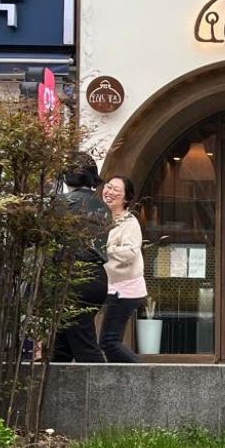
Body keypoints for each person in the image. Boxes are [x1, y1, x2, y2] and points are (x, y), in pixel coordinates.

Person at [51, 155, 109, 363]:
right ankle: (57, 392)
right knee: (62, 345)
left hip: (73, 277)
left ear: (66, 177)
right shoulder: (103, 207)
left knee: (85, 345)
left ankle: (105, 391)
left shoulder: (61, 204)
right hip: (97, 277)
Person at [99, 175, 147, 363]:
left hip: (126, 289)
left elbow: (130, 253)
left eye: (116, 190)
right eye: (108, 187)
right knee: (109, 342)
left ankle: (146, 375)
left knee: (109, 341)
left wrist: (104, 248)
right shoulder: (99, 218)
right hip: (109, 287)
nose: (109, 192)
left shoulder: (129, 223)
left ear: (126, 199)